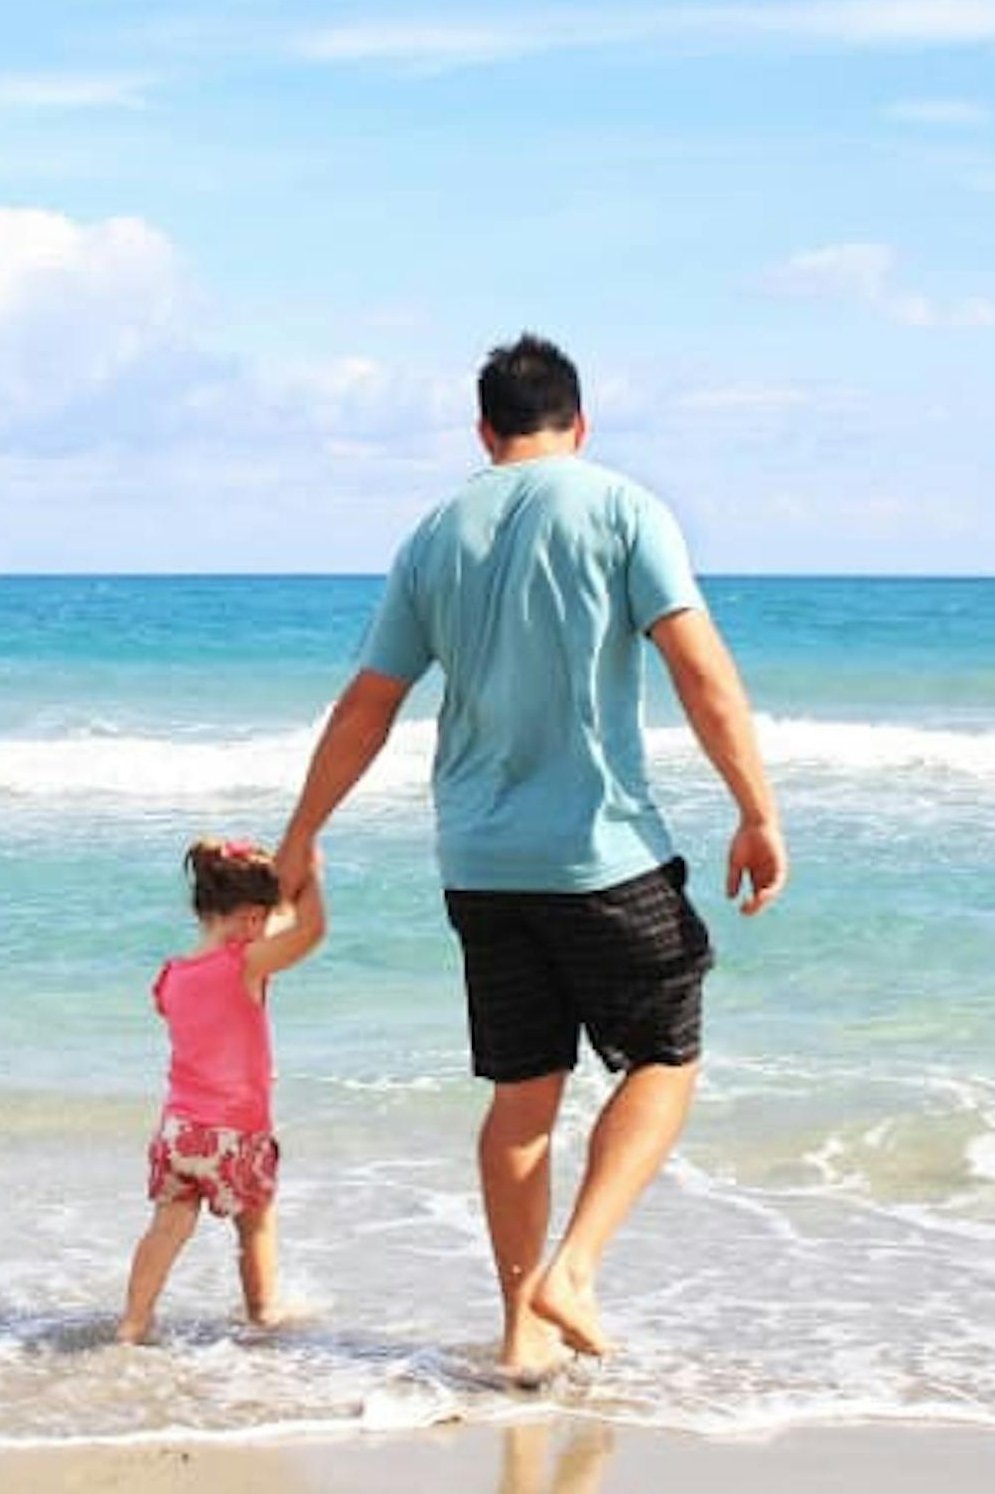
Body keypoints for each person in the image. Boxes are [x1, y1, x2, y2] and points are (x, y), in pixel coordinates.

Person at [273, 332, 786, 1380]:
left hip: (478, 861)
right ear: (579, 424)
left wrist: (302, 831)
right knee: (666, 1057)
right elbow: (699, 671)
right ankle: (576, 1270)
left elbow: (370, 704)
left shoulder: (433, 536)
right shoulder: (621, 507)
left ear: (484, 430)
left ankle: (521, 1335)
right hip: (598, 855)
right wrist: (757, 809)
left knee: (522, 1096)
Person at [115, 836, 327, 1345]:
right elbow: (311, 931)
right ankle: (263, 1313)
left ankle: (133, 1324)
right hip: (236, 1133)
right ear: (252, 918)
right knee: (255, 1225)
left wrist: (272, 897)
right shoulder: (245, 966)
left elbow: (252, 937)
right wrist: (311, 875)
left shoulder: (171, 977)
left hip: (179, 1133)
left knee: (167, 1227)